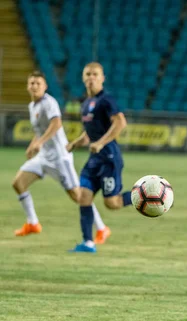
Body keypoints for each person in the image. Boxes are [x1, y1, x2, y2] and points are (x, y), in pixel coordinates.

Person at [11, 71, 110, 243]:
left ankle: (102, 228)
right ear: (28, 86)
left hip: (59, 158)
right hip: (43, 157)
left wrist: (40, 142)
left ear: (45, 87)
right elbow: (40, 130)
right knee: (18, 183)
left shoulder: (49, 103)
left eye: (38, 83)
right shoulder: (32, 106)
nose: (34, 86)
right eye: (32, 83)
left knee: (78, 196)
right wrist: (33, 144)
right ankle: (33, 223)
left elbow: (56, 124)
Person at [66, 62, 132, 253]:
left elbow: (120, 122)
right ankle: (88, 243)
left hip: (109, 158)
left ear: (103, 78)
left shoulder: (106, 100)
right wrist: (74, 144)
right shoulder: (86, 104)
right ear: (83, 77)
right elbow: (90, 134)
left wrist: (102, 143)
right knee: (83, 197)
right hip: (94, 159)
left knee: (113, 203)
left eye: (95, 74)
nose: (91, 77)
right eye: (88, 74)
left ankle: (142, 193)